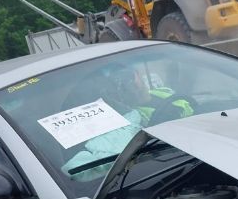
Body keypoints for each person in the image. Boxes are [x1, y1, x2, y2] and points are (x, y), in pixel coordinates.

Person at [61, 63, 194, 181]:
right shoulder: (131, 118)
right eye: (125, 83)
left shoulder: (162, 93)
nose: (135, 85)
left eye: (131, 76)